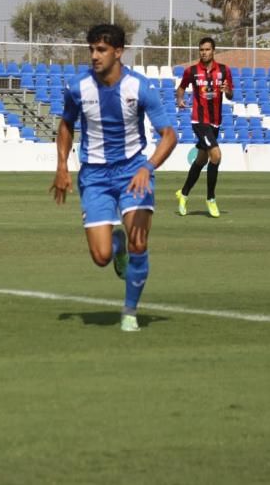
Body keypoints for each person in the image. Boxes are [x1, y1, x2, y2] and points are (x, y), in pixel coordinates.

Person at [52, 24, 176, 333]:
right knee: (101, 256)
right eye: (91, 49)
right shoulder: (78, 87)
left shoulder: (140, 87)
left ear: (118, 52)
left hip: (134, 172)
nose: (94, 55)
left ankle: (130, 312)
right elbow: (66, 125)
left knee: (140, 242)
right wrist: (62, 167)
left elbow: (169, 136)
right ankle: (115, 244)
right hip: (94, 176)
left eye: (101, 50)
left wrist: (148, 166)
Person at [175, 37, 234, 218]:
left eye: (207, 49)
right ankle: (211, 199)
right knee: (216, 155)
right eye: (201, 50)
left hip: (215, 122)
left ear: (213, 50)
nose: (204, 52)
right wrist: (180, 100)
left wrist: (227, 91)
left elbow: (231, 95)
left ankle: (183, 194)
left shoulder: (224, 70)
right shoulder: (191, 71)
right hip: (199, 121)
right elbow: (181, 88)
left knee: (201, 160)